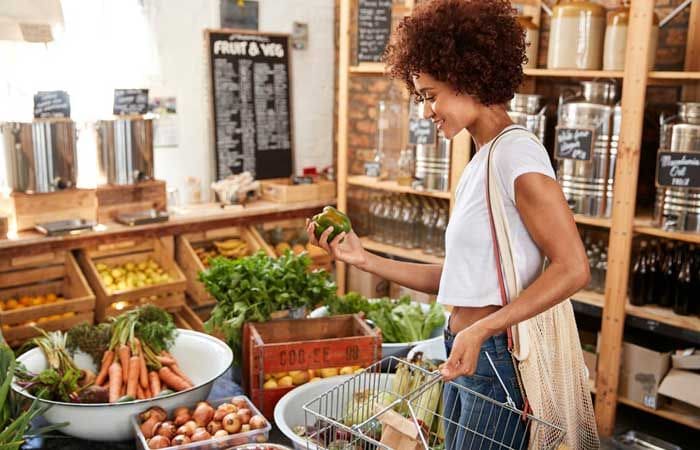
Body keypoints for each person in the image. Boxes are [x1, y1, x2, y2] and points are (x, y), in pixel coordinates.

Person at [308, 0, 590, 448]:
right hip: (468, 351)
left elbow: (573, 267)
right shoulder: (483, 158)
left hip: (498, 362)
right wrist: (362, 259)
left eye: (430, 94)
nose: (425, 112)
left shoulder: (515, 155)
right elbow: (455, 279)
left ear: (468, 78)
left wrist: (483, 328)